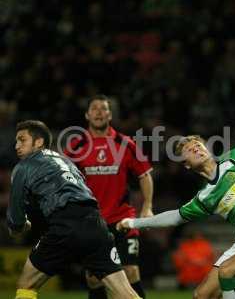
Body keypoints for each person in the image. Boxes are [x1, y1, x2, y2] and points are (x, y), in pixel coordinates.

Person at [117, 135, 235, 299]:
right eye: (188, 149)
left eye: (198, 144)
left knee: (228, 272)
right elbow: (174, 217)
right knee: (201, 295)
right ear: (186, 165)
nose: (195, 148)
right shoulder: (205, 197)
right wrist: (133, 222)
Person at [7, 120, 141, 299]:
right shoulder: (66, 161)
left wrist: (19, 226)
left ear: (38, 142)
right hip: (96, 224)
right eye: (16, 141)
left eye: (22, 140)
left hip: (64, 224)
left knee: (26, 284)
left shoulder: (24, 166)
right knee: (125, 293)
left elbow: (15, 217)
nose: (17, 146)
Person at [64, 95, 153, 299]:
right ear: (87, 115)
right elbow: (65, 180)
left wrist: (147, 206)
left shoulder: (125, 143)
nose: (98, 112)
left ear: (110, 115)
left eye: (103, 109)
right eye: (94, 108)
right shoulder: (76, 146)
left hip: (123, 220)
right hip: (92, 222)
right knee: (94, 278)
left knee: (131, 272)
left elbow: (145, 175)